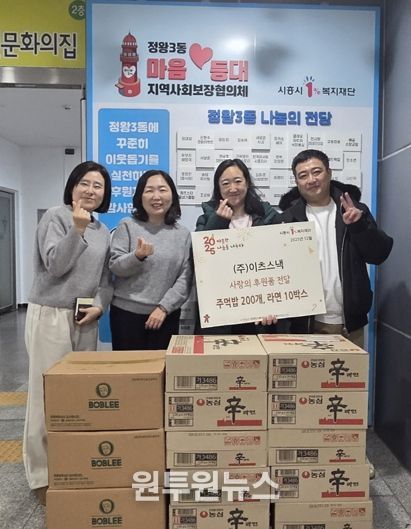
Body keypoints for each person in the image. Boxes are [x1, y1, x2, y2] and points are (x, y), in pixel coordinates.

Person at [23, 160, 113, 504]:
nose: (91, 190)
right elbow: (55, 265)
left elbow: (105, 279)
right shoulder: (56, 217)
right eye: (84, 183)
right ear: (72, 187)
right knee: (45, 395)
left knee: (77, 395)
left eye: (98, 186)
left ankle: (72, 465)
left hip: (84, 319)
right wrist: (76, 231)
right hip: (51, 314)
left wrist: (100, 305)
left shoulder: (103, 230)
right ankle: (41, 475)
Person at [278, 149, 393, 347]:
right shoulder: (288, 220)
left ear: (329, 173)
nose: (311, 180)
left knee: (350, 369)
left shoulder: (354, 210)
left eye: (317, 172)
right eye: (303, 175)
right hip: (307, 325)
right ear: (296, 182)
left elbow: (378, 255)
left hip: (350, 324)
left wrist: (359, 227)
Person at [109, 169, 193, 350]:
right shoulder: (127, 225)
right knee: (127, 366)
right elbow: (115, 267)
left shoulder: (183, 234)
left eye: (162, 190)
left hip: (166, 315)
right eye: (149, 190)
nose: (156, 196)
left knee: (162, 367)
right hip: (126, 315)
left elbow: (185, 278)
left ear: (172, 195)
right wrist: (137, 256)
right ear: (140, 196)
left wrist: (164, 308)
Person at [195, 158, 280, 334]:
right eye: (225, 183)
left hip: (260, 312)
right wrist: (217, 221)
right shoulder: (206, 218)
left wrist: (274, 304)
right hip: (221, 310)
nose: (232, 188)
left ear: (247, 183)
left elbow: (282, 261)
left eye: (238, 181)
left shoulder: (268, 216)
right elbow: (197, 258)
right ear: (218, 188)